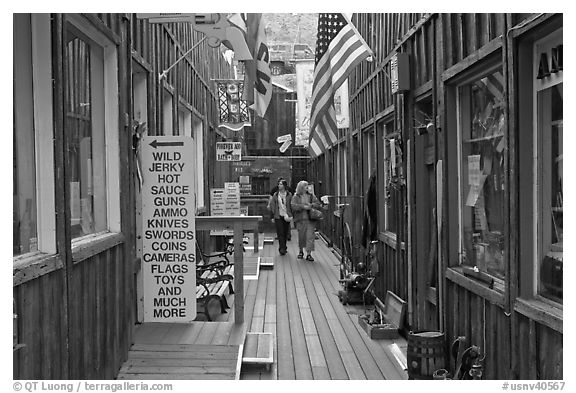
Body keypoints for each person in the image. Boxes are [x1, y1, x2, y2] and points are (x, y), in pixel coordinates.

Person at [291, 180, 322, 261]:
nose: (307, 187)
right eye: (305, 186)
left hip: (310, 219)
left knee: (310, 237)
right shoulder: (296, 196)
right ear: (301, 187)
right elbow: (293, 206)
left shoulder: (311, 196)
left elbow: (318, 204)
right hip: (300, 220)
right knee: (301, 236)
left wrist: (311, 205)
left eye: (307, 186)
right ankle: (301, 251)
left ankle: (309, 254)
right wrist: (303, 207)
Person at [268, 179, 293, 255]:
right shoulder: (275, 195)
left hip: (286, 215)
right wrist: (272, 216)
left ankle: (284, 246)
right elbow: (272, 206)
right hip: (278, 216)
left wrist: (291, 215)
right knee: (280, 232)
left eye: (281, 184)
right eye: (278, 184)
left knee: (285, 232)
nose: (279, 186)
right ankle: (281, 248)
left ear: (284, 186)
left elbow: (292, 205)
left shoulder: (289, 195)